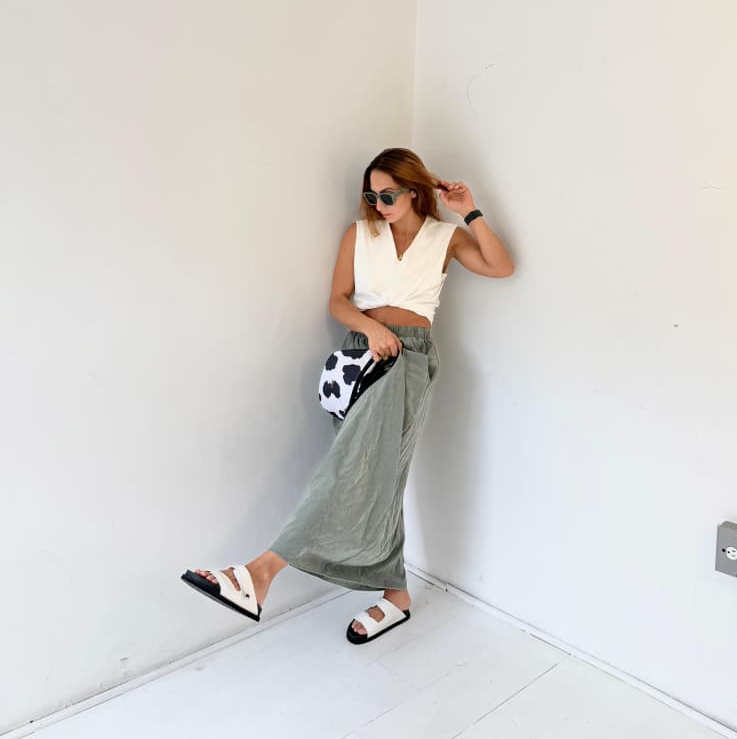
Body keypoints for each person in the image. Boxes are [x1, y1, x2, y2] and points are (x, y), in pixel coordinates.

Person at [181, 147, 514, 643]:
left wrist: (469, 209)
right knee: (377, 472)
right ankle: (396, 594)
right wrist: (370, 329)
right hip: (359, 355)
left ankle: (260, 573)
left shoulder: (445, 237)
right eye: (372, 196)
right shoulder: (360, 234)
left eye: (388, 195)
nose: (379, 205)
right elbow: (337, 300)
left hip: (408, 357)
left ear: (414, 191)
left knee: (356, 466)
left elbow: (501, 266)